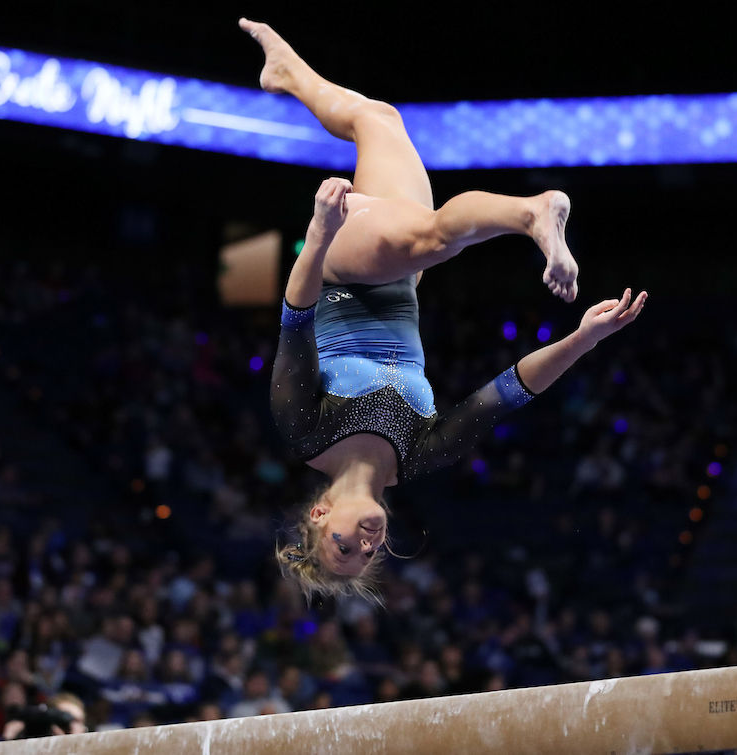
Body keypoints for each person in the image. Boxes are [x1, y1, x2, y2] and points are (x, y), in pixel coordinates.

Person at [243, 19, 647, 599]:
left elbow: (296, 317)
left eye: (343, 547)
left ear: (317, 517)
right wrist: (584, 338)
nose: (366, 543)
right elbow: (508, 391)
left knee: (433, 237)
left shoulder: (304, 429)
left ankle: (531, 214)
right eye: (368, 555)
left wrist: (319, 232)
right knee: (377, 119)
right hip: (397, 271)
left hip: (339, 265)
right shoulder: (422, 453)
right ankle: (288, 74)